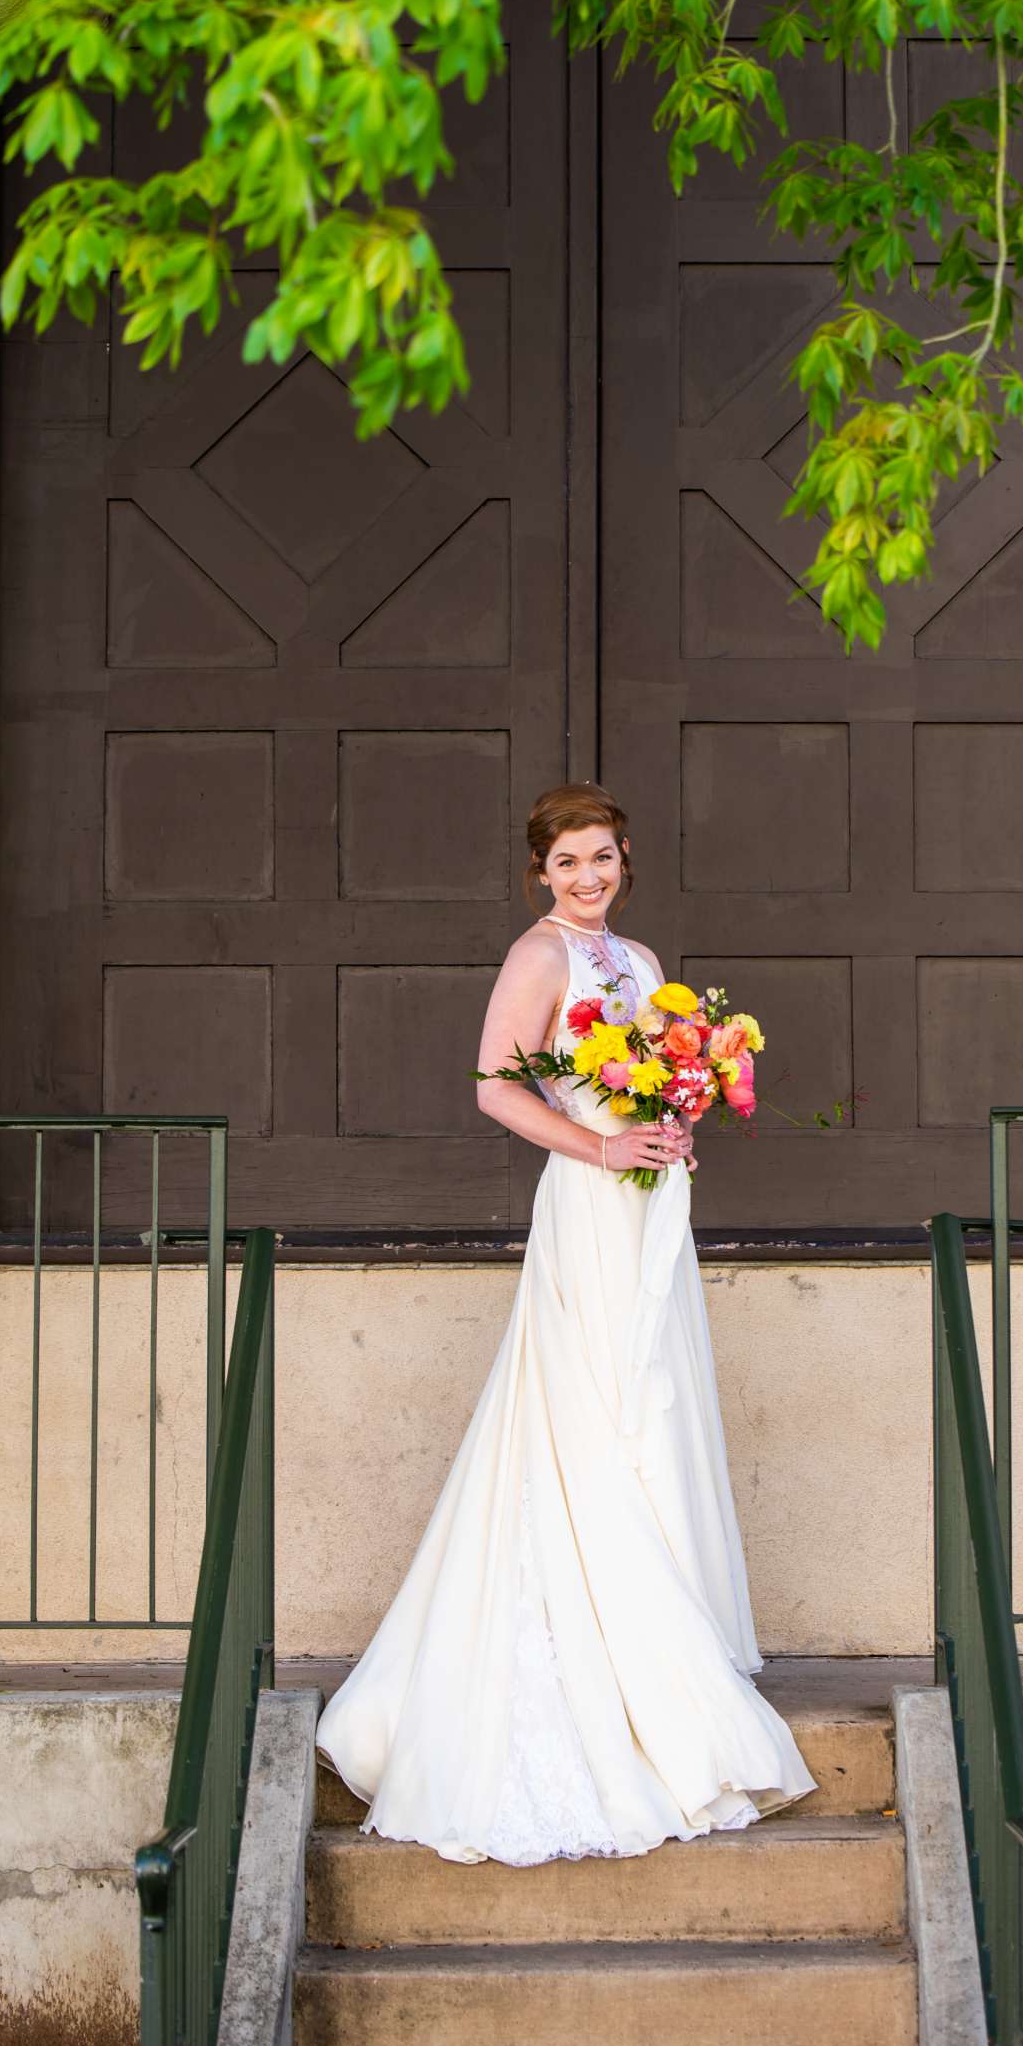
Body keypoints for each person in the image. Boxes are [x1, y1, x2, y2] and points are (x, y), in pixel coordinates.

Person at [314, 780, 814, 1864]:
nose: (586, 878)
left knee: (652, 1396)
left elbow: (645, 1078)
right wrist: (603, 1148)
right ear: (541, 872)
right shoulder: (539, 957)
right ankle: (593, 1649)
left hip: (647, 1212)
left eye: (601, 858)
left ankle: (654, 1623)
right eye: (567, 863)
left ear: (625, 857)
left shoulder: (637, 963)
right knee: (588, 1398)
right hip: (589, 1205)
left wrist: (679, 1113)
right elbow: (497, 1088)